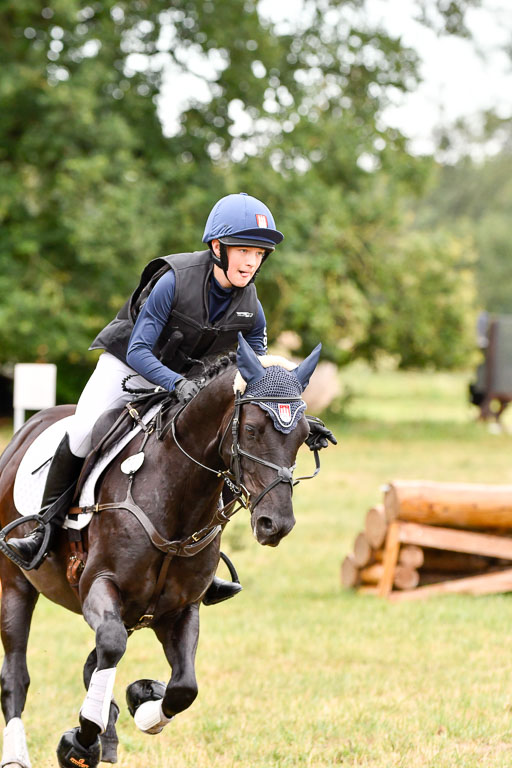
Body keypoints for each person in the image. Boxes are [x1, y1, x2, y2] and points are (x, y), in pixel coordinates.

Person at [8, 192, 336, 600]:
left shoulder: (252, 307)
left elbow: (261, 376)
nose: (252, 262)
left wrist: (292, 417)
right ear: (217, 247)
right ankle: (42, 528)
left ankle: (199, 560)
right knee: (82, 432)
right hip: (127, 370)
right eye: (244, 250)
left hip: (188, 386)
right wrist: (176, 384)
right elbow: (139, 350)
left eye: (259, 253)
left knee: (223, 448)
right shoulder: (173, 280)